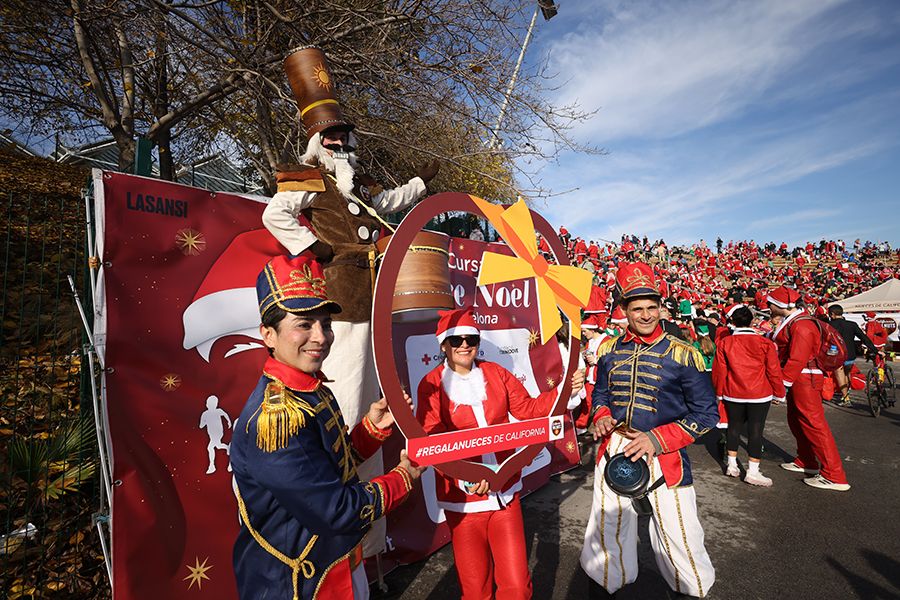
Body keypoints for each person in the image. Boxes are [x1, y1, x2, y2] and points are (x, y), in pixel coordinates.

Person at [262, 46, 438, 555]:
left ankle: (371, 541)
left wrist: (420, 186)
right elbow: (274, 217)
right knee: (342, 409)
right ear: (316, 141)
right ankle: (341, 537)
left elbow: (387, 206)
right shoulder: (306, 179)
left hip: (373, 306)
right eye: (329, 135)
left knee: (370, 409)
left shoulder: (357, 187)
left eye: (342, 134)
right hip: (339, 310)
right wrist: (316, 249)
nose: (338, 140)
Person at [230, 254, 421, 599]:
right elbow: (336, 510)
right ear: (268, 334)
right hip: (298, 584)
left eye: (326, 323)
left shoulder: (311, 389)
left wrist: (371, 430)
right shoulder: (277, 419)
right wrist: (403, 478)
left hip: (336, 564)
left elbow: (327, 467)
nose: (320, 337)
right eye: (304, 324)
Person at [416, 307, 584, 600]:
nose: (465, 345)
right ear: (444, 344)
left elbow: (528, 410)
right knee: (476, 589)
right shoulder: (430, 384)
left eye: (471, 339)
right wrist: (466, 477)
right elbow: (433, 439)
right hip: (464, 503)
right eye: (457, 340)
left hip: (505, 493)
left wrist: (565, 390)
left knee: (517, 586)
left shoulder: (496, 373)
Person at [581, 262, 718, 599]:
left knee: (679, 535)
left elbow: (706, 413)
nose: (645, 315)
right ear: (624, 311)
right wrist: (600, 414)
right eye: (637, 308)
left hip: (664, 456)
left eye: (651, 308)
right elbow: (600, 392)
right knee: (606, 528)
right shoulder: (610, 351)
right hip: (614, 448)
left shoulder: (685, 354)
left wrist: (657, 439)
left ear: (660, 308)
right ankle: (607, 585)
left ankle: (691, 590)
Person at [768, 286, 850, 491]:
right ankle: (807, 460)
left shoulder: (802, 325)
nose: (767, 306)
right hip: (801, 377)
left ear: (780, 305)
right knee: (797, 420)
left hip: (805, 378)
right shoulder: (798, 322)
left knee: (814, 424)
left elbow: (797, 358)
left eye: (770, 302)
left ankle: (834, 474)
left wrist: (782, 387)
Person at [711, 307, 785, 486]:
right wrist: (780, 392)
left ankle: (731, 464)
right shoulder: (764, 343)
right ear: (752, 321)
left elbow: (719, 371)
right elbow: (773, 370)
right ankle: (752, 471)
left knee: (733, 428)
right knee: (755, 431)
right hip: (759, 392)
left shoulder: (725, 342)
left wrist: (719, 393)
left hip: (732, 392)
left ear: (733, 322)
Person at [827, 304, 877, 406]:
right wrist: (875, 350)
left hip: (837, 354)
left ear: (832, 314)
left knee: (840, 375)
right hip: (850, 355)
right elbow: (864, 338)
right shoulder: (852, 324)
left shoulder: (828, 325)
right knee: (847, 373)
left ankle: (846, 398)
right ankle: (847, 393)